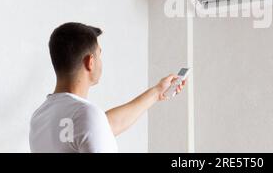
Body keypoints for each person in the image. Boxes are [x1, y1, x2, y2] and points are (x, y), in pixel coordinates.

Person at [29, 22, 186, 153]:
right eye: (99, 54)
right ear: (90, 62)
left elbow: (103, 126)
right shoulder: (85, 115)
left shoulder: (40, 116)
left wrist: (157, 91)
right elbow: (92, 125)